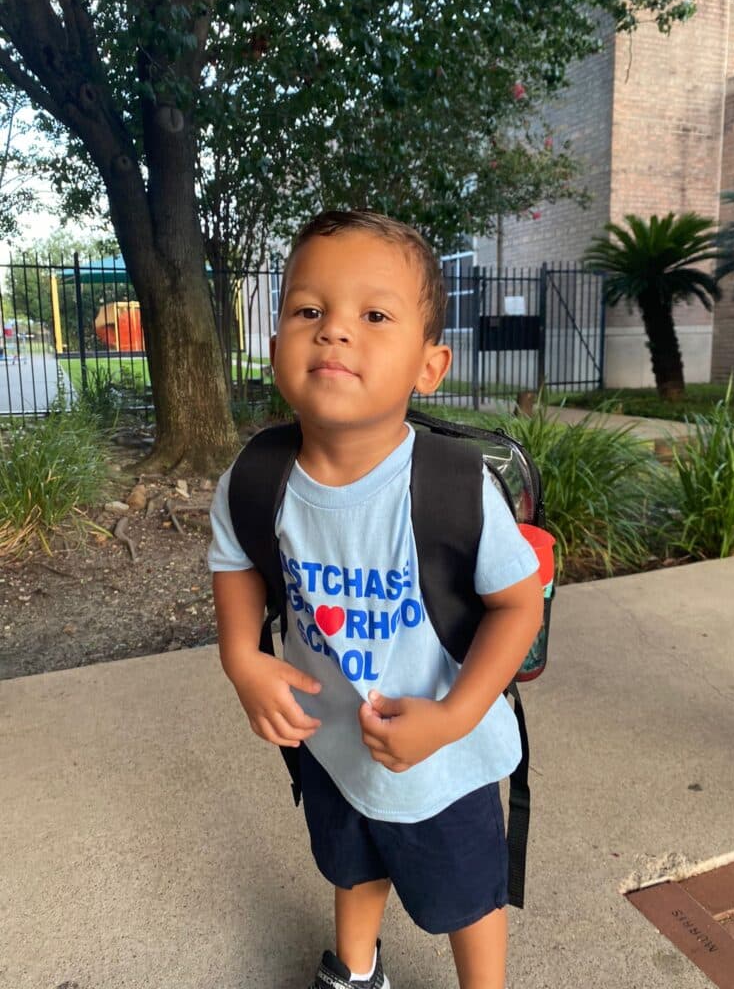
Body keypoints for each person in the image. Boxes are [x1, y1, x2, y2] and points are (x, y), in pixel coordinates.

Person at [208, 210, 543, 989]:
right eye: (308, 310)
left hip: (442, 753)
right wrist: (240, 659)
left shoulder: (455, 487)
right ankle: (356, 970)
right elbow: (234, 561)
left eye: (374, 315)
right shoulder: (258, 478)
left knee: (466, 894)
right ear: (274, 348)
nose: (334, 332)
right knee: (351, 859)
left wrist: (456, 717)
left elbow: (517, 606)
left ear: (430, 366)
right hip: (330, 735)